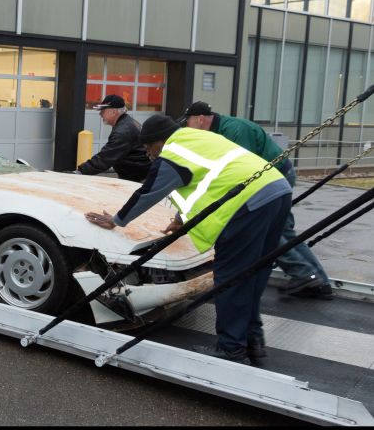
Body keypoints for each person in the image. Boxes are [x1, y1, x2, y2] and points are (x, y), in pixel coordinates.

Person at [85, 114, 292, 364]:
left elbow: (148, 192)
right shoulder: (197, 138)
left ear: (158, 142)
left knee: (231, 277)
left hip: (247, 205)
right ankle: (252, 341)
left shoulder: (173, 153)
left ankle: (231, 348)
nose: (148, 153)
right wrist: (182, 218)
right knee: (255, 273)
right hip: (277, 191)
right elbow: (211, 182)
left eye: (148, 147)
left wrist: (117, 220)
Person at [181, 101, 332, 300]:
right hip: (275, 176)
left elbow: (242, 170)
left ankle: (304, 274)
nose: (187, 128)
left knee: (268, 229)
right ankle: (318, 281)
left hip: (273, 179)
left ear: (200, 119)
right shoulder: (221, 130)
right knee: (285, 231)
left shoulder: (234, 130)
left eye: (188, 123)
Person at [75, 95, 151, 182]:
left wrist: (80, 171)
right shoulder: (127, 122)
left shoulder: (123, 131)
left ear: (114, 112)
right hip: (138, 176)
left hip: (138, 179)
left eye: (103, 111)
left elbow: (105, 158)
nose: (100, 114)